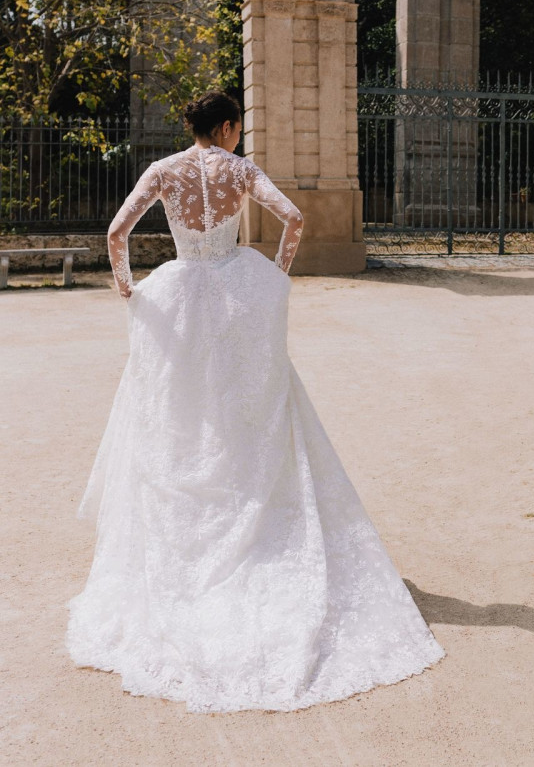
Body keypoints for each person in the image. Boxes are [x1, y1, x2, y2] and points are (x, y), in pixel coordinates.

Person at [65, 91, 445, 713]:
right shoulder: (242, 171)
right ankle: (259, 523)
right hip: (239, 293)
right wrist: (276, 274)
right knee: (251, 414)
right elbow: (293, 219)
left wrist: (131, 292)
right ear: (230, 126)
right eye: (239, 125)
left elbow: (116, 233)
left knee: (184, 420)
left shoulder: (163, 172)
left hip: (181, 294)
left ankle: (187, 551)